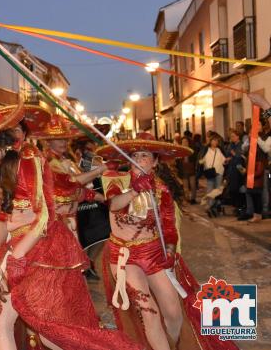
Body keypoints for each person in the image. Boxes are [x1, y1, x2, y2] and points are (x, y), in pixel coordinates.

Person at [0, 106, 140, 350]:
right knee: (1, 323)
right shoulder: (3, 167)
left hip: (41, 250)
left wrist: (16, 258)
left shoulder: (29, 162)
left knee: (52, 333)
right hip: (18, 248)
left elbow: (43, 217)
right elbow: (4, 217)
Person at [96, 133, 238, 350]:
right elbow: (114, 204)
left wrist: (170, 252)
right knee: (149, 312)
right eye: (135, 155)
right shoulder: (116, 179)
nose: (139, 159)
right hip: (125, 257)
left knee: (173, 312)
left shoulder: (161, 190)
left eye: (145, 156)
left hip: (153, 254)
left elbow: (169, 228)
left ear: (155, 162)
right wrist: (135, 190)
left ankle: (169, 345)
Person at [200, 135, 225, 217]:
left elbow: (223, 160)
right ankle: (210, 205)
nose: (215, 142)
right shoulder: (206, 150)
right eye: (214, 140)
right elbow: (201, 160)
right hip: (210, 173)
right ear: (210, 142)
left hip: (219, 172)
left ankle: (216, 206)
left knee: (217, 190)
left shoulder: (219, 150)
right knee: (210, 190)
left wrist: (226, 161)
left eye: (217, 141)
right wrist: (202, 163)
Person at [224, 129, 246, 217]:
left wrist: (232, 154)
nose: (231, 138)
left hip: (239, 170)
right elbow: (227, 154)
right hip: (231, 170)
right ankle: (237, 208)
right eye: (230, 136)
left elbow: (239, 157)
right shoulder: (231, 145)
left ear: (238, 136)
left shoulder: (241, 145)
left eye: (233, 136)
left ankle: (240, 209)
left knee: (239, 190)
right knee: (232, 190)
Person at [180, 136, 197, 204]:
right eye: (183, 142)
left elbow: (195, 159)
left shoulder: (191, 150)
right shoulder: (180, 150)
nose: (185, 143)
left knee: (193, 185)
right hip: (183, 170)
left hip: (191, 169)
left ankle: (193, 198)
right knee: (185, 187)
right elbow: (178, 161)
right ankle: (187, 198)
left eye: (186, 141)